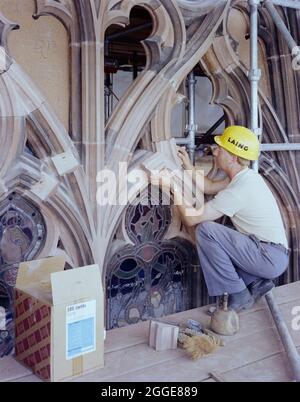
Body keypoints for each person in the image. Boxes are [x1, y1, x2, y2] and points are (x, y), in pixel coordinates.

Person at [168, 126, 289, 312]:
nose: (215, 152)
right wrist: (187, 165)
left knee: (207, 230)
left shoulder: (239, 190)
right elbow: (208, 187)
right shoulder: (244, 178)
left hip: (267, 256)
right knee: (223, 238)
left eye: (220, 149)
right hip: (270, 254)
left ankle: (238, 295)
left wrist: (172, 188)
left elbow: (193, 218)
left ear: (233, 157)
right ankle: (255, 282)